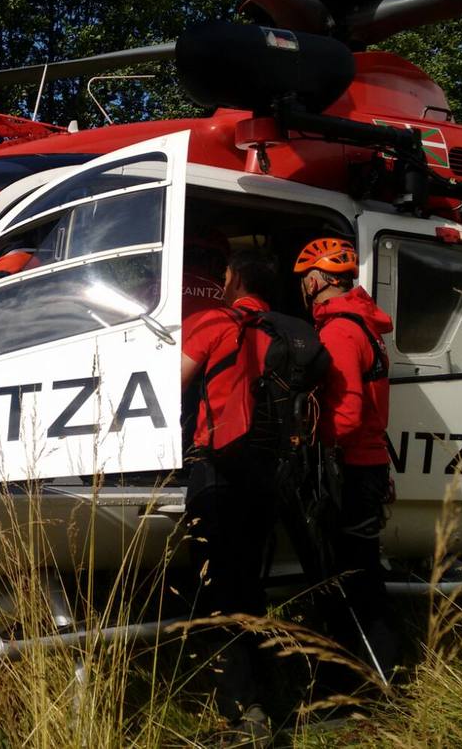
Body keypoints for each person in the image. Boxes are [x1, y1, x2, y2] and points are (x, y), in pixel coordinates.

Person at [180, 247, 279, 747]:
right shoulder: (287, 329)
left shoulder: (216, 320)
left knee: (219, 590)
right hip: (267, 472)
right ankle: (270, 693)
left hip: (216, 467)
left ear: (236, 278)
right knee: (250, 584)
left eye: (223, 275)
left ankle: (244, 713)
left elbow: (169, 382)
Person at [293, 236, 400, 678]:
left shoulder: (338, 330)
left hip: (351, 469)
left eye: (303, 281)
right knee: (364, 573)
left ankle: (367, 680)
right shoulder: (363, 324)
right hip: (370, 464)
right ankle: (381, 673)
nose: (303, 289)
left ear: (316, 280)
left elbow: (349, 413)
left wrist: (307, 440)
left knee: (350, 578)